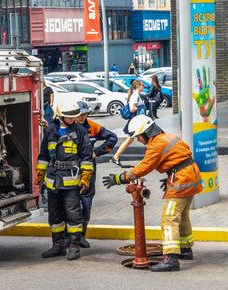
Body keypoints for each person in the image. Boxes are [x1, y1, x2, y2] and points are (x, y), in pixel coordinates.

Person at [102, 115, 203, 272]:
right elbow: (180, 158)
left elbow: (144, 168)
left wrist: (119, 178)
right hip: (189, 175)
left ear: (145, 133)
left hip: (181, 179)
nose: (138, 141)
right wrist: (171, 174)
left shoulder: (156, 145)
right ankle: (185, 249)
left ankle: (171, 259)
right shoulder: (167, 136)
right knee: (182, 216)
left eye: (138, 137)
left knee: (169, 219)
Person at [36, 97, 95, 261]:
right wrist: (40, 175)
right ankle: (58, 246)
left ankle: (74, 247)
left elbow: (87, 157)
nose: (73, 119)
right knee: (54, 216)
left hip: (71, 182)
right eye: (69, 116)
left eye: (74, 116)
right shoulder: (51, 131)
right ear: (60, 116)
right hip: (53, 181)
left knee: (73, 215)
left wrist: (85, 178)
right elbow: (43, 156)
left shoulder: (80, 131)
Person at [72, 101, 117, 248]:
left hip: (88, 168)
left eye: (84, 114)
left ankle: (81, 236)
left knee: (86, 201)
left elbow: (112, 138)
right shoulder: (67, 128)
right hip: (70, 169)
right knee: (70, 202)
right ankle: (70, 237)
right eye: (79, 115)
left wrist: (97, 152)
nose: (82, 117)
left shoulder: (92, 127)